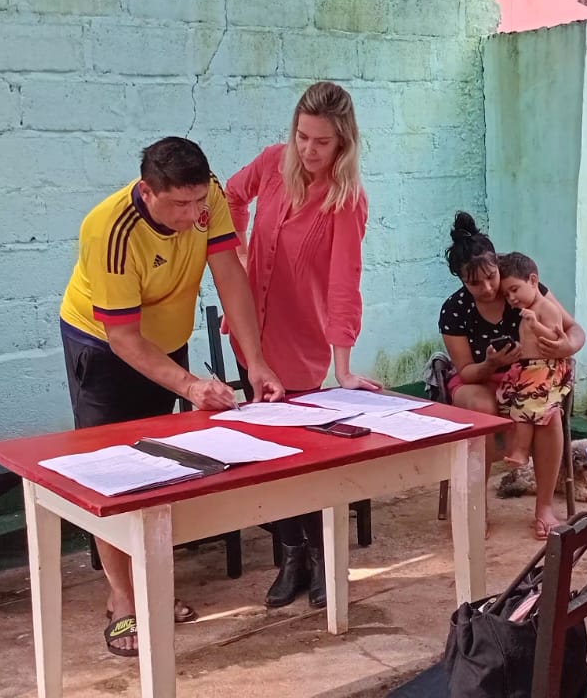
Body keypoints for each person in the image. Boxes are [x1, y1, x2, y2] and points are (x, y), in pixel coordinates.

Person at [59, 136, 285, 656]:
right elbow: (123, 338)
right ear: (147, 191)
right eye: (179, 205)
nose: (191, 215)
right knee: (111, 471)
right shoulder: (109, 229)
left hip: (167, 338)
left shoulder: (209, 196)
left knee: (160, 465)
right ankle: (123, 599)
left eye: (198, 202)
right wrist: (189, 385)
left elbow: (229, 275)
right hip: (103, 345)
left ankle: (152, 582)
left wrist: (256, 362)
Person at [225, 81, 376, 610]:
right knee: (268, 456)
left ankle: (319, 557)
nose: (308, 150)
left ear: (343, 143)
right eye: (302, 136)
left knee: (301, 458)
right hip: (253, 338)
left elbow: (343, 283)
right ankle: (292, 559)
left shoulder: (346, 200)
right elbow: (228, 198)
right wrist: (238, 261)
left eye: (322, 142)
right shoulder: (272, 162)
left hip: (301, 345)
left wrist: (344, 368)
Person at [438, 212, 585, 538]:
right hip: (479, 380)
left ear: (497, 264)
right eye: (475, 283)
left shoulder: (520, 288)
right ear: (461, 280)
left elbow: (575, 329)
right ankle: (475, 506)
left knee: (548, 414)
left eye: (491, 277)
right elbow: (466, 371)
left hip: (528, 378)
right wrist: (491, 365)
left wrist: (565, 347)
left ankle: (544, 507)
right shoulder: (455, 310)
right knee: (481, 408)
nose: (488, 288)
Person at [494, 251, 574, 468]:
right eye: (506, 295)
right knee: (507, 400)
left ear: (533, 280)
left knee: (527, 403)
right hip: (527, 367)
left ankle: (521, 451)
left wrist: (536, 326)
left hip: (545, 368)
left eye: (514, 290)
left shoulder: (547, 308)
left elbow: (556, 338)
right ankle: (513, 448)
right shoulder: (527, 311)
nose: (511, 298)